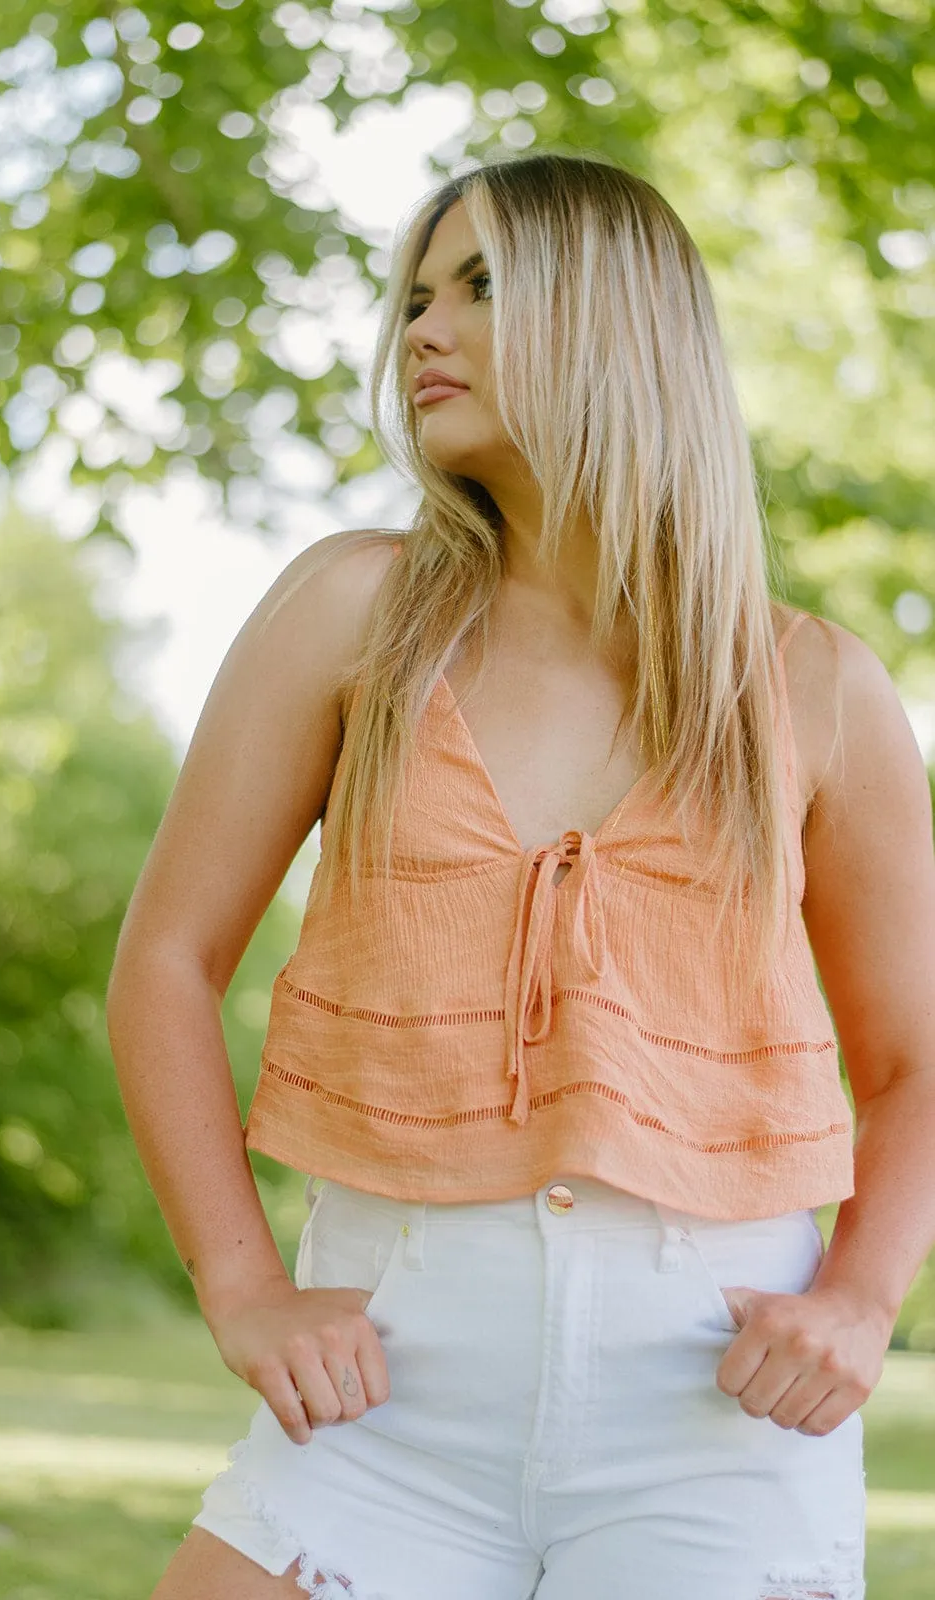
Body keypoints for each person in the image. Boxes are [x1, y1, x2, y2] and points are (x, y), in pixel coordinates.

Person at [106, 151, 935, 1600]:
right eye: (416, 294)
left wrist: (862, 1297)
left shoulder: (817, 690)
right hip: (382, 1397)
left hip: (715, 1421)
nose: (420, 329)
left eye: (480, 285)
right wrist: (239, 1285)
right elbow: (166, 963)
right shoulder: (348, 614)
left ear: (620, 322)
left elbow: (914, 1057)